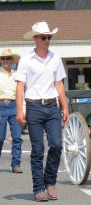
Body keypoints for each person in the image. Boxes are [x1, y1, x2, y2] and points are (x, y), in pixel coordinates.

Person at [15, 21, 69, 202]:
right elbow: (20, 86)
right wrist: (19, 111)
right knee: (37, 149)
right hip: (34, 107)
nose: (48, 40)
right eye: (44, 37)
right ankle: (39, 188)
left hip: (52, 106)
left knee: (56, 145)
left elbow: (59, 83)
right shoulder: (26, 59)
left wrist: (66, 106)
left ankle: (50, 181)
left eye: (49, 37)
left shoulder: (55, 58)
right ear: (36, 39)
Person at [0, 49, 23, 174]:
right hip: (1, 106)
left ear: (12, 60)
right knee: (0, 137)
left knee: (17, 137)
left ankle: (16, 165)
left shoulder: (17, 75)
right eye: (3, 59)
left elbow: (21, 93)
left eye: (8, 58)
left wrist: (22, 111)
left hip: (14, 105)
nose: (6, 61)